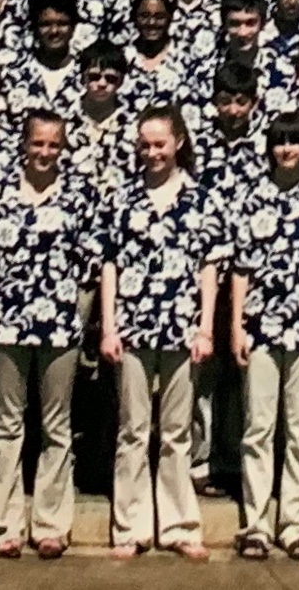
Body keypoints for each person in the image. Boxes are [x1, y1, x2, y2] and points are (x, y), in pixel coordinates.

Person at [222, 115, 299, 560]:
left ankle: (297, 523)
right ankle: (255, 522)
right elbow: (241, 269)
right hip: (261, 326)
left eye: (295, 142)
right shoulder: (253, 196)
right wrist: (236, 325)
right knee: (258, 427)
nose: (287, 150)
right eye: (279, 143)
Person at [103, 108, 221, 560]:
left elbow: (209, 267)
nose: (152, 153)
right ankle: (130, 527)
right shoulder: (122, 198)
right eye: (145, 145)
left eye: (160, 144)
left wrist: (205, 327)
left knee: (176, 432)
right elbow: (110, 264)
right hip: (133, 326)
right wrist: (110, 326)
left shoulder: (201, 198)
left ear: (179, 143)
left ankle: (178, 524)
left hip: (182, 327)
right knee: (133, 430)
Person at [0, 112, 100, 559]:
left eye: (54, 145)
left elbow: (90, 268)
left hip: (59, 327)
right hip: (7, 324)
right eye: (38, 144)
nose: (45, 153)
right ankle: (6, 523)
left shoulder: (79, 196)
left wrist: (78, 320)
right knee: (8, 424)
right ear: (24, 144)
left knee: (56, 426)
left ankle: (50, 522)